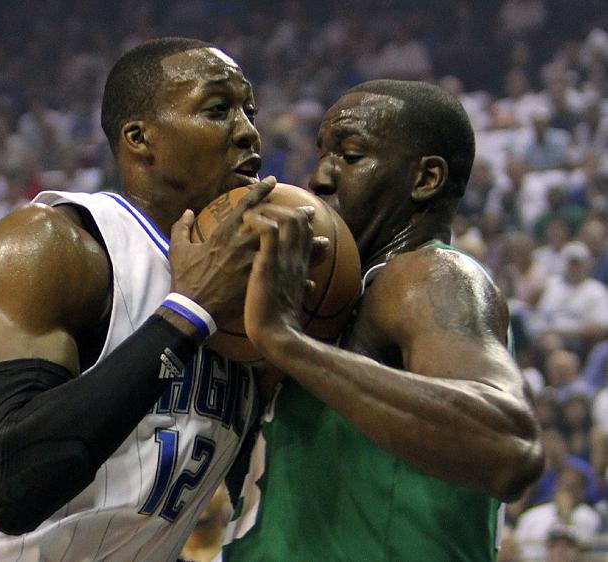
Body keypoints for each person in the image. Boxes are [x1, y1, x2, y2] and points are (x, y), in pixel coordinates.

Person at [0, 37, 310, 562]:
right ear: (140, 138)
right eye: (217, 110)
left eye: (249, 111)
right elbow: (14, 486)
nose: (248, 131)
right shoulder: (51, 248)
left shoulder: (246, 295)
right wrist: (187, 315)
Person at [222, 80, 544, 561]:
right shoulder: (336, 300)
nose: (319, 178)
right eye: (322, 154)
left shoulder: (426, 275)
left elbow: (509, 445)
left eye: (350, 156)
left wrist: (283, 340)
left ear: (425, 179)